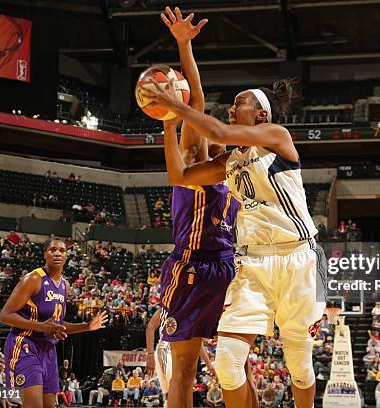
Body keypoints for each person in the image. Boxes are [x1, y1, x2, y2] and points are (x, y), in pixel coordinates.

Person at [141, 38, 327, 408]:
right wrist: (167, 120)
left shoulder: (277, 138)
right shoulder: (228, 162)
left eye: (240, 101)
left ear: (261, 116)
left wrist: (175, 104)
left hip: (301, 259)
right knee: (226, 362)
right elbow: (180, 176)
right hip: (252, 262)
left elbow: (216, 131)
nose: (231, 107)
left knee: (300, 365)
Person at [144, 7, 237, 408]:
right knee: (183, 371)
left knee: (232, 366)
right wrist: (184, 46)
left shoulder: (235, 169)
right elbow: (194, 99)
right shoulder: (195, 159)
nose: (207, 126)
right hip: (193, 265)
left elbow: (196, 107)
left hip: (226, 267)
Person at [0, 238, 108, 408]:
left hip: (48, 351)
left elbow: (58, 323)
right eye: (52, 250)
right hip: (25, 345)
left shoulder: (65, 286)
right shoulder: (33, 278)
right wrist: (42, 327)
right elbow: (5, 315)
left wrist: (87, 326)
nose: (57, 253)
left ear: (67, 256)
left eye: (62, 250)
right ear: (45, 255)